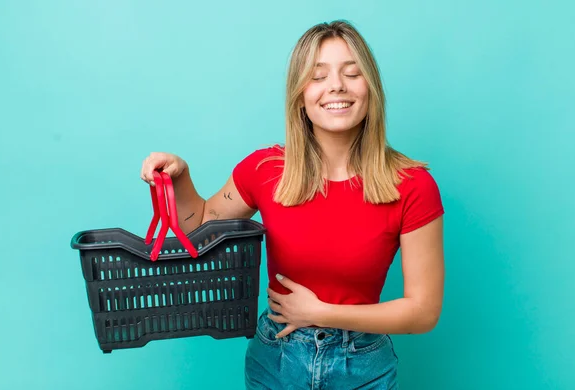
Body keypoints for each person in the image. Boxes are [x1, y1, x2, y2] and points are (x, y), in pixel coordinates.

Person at [140, 20, 444, 390]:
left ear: (371, 89)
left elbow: (423, 311)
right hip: (276, 358)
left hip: (363, 365)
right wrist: (180, 179)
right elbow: (199, 232)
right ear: (300, 94)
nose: (336, 86)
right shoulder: (264, 170)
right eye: (318, 76)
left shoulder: (412, 185)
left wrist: (320, 312)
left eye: (352, 73)